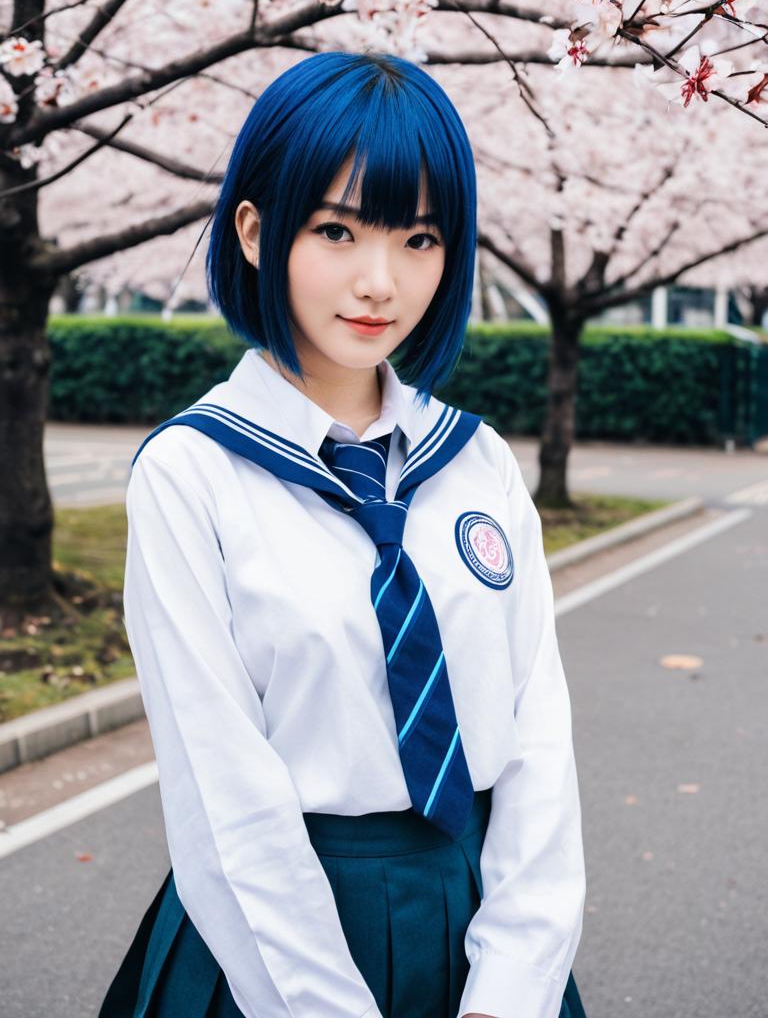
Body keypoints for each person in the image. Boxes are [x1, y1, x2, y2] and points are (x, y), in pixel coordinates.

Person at [98, 51, 587, 1018]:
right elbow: (223, 795)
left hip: (479, 921)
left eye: (419, 239)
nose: (380, 282)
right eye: (335, 230)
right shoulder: (192, 475)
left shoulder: (477, 462)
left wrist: (513, 986)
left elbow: (540, 744)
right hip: (279, 943)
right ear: (254, 230)